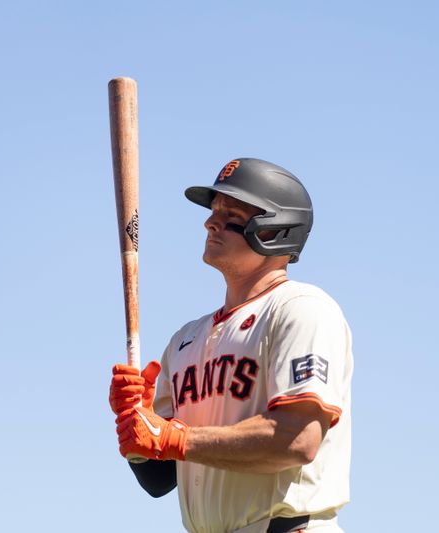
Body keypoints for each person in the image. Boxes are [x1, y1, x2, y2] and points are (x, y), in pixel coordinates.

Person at [109, 158, 353, 533]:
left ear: (274, 229)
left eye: (232, 214)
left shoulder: (301, 309)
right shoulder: (185, 339)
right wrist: (139, 429)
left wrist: (176, 437)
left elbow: (297, 439)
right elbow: (159, 481)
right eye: (214, 212)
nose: (211, 222)